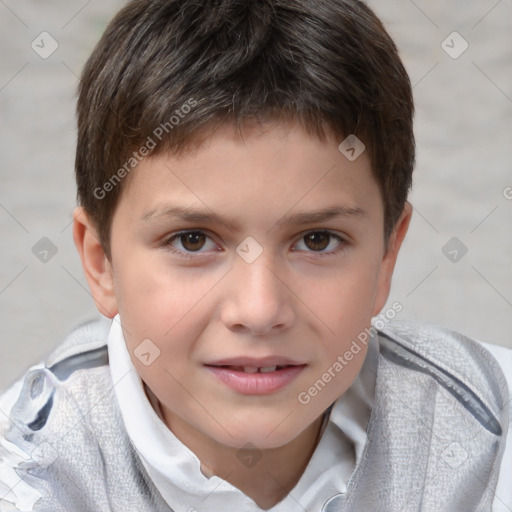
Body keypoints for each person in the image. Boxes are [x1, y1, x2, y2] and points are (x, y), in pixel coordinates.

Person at [1, 0, 510, 510]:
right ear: (101, 262)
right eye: (193, 240)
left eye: (317, 240)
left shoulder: (492, 436)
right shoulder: (28, 472)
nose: (260, 310)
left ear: (385, 257)